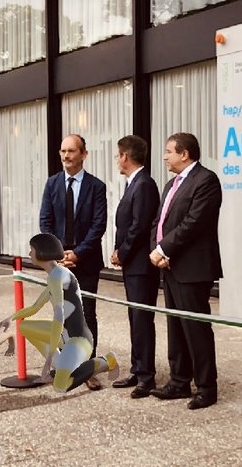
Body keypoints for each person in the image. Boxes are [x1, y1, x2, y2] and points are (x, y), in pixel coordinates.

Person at [149, 132, 222, 410]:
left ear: (185, 154)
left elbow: (194, 223)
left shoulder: (206, 181)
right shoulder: (172, 184)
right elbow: (159, 221)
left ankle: (206, 387)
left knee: (196, 329)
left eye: (169, 151)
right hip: (169, 265)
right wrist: (158, 250)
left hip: (192, 267)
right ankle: (179, 381)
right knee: (176, 326)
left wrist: (164, 249)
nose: (165, 156)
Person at [0, 233, 118, 393]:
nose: (29, 253)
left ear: (42, 253)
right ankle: (61, 364)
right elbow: (35, 307)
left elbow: (58, 318)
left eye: (32, 250)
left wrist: (48, 360)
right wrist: (10, 318)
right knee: (24, 326)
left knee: (61, 386)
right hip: (66, 334)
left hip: (78, 338)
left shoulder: (57, 276)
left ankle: (105, 361)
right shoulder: (55, 274)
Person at [39, 134, 107, 390]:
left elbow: (98, 225)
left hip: (85, 261)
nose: (66, 156)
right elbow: (45, 220)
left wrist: (78, 253)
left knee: (86, 314)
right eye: (63, 151)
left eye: (71, 151)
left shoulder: (96, 186)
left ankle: (87, 369)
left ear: (83, 154)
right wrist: (57, 254)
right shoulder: (52, 183)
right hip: (58, 263)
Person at [110, 135, 161, 398]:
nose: (117, 160)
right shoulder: (134, 183)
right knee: (135, 319)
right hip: (133, 265)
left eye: (118, 155)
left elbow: (139, 226)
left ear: (126, 156)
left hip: (141, 266)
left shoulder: (144, 184)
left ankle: (146, 376)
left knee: (142, 320)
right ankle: (137, 368)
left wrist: (122, 252)